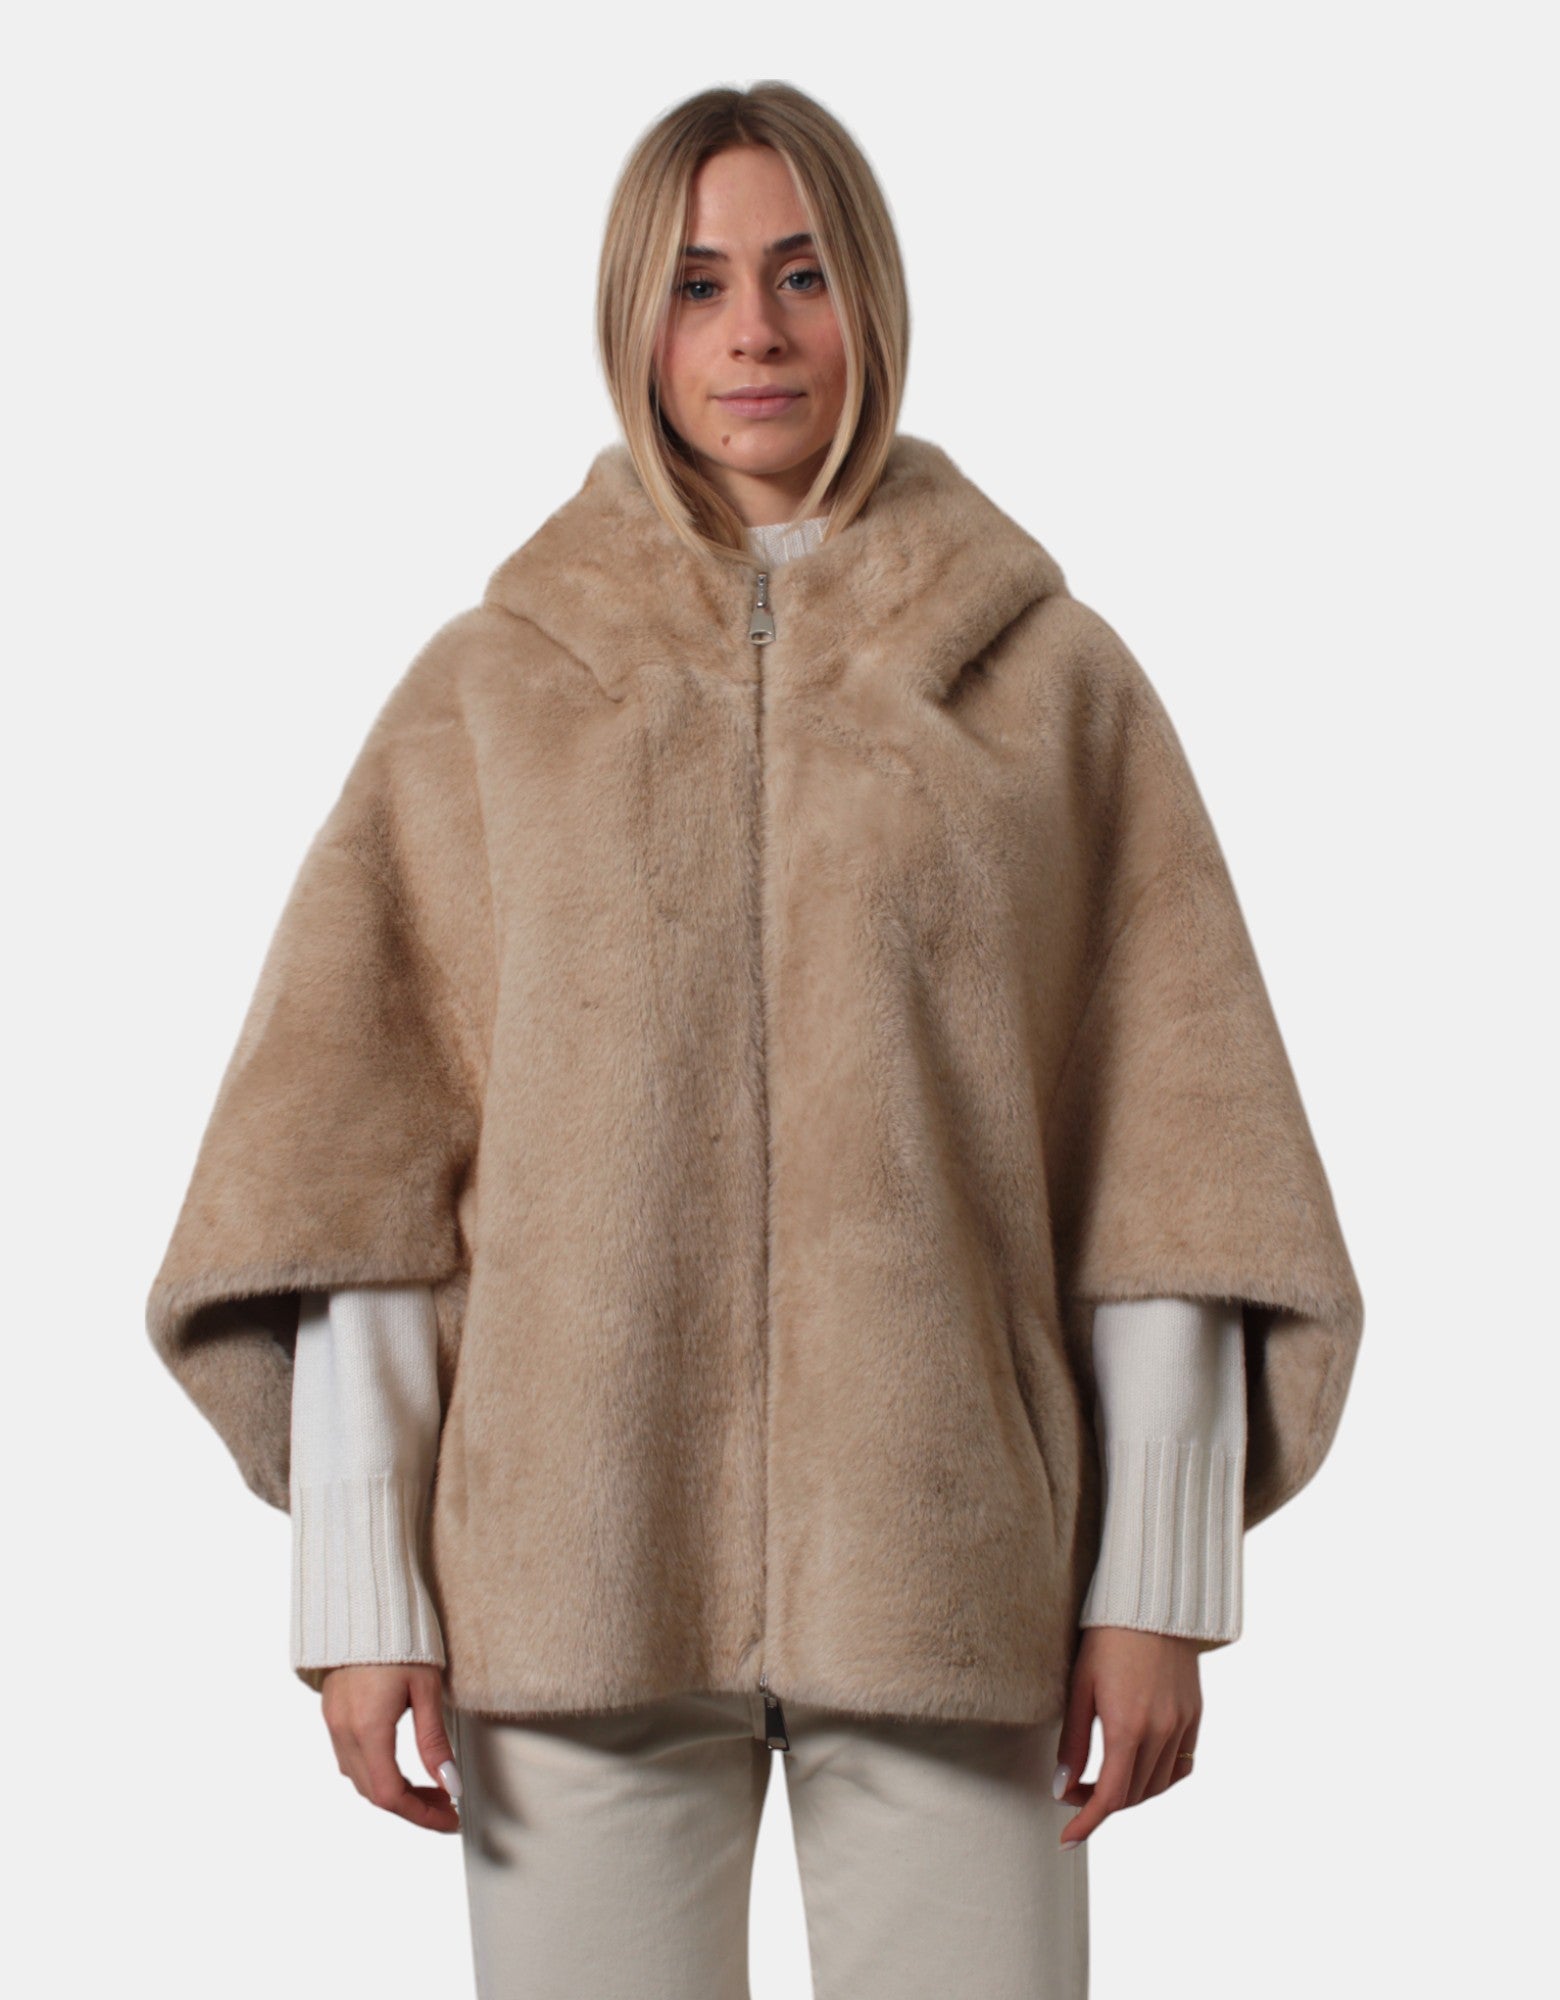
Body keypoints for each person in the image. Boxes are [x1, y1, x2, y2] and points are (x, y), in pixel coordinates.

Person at [147, 81, 1363, 2000]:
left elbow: (1169, 1162)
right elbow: (365, 1172)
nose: (754, 333)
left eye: (801, 275)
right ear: (631, 318)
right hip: (573, 1579)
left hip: (951, 1569)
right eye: (696, 282)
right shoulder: (493, 694)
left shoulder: (1052, 686)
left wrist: (1158, 1581)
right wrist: (361, 1587)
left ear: (870, 296)